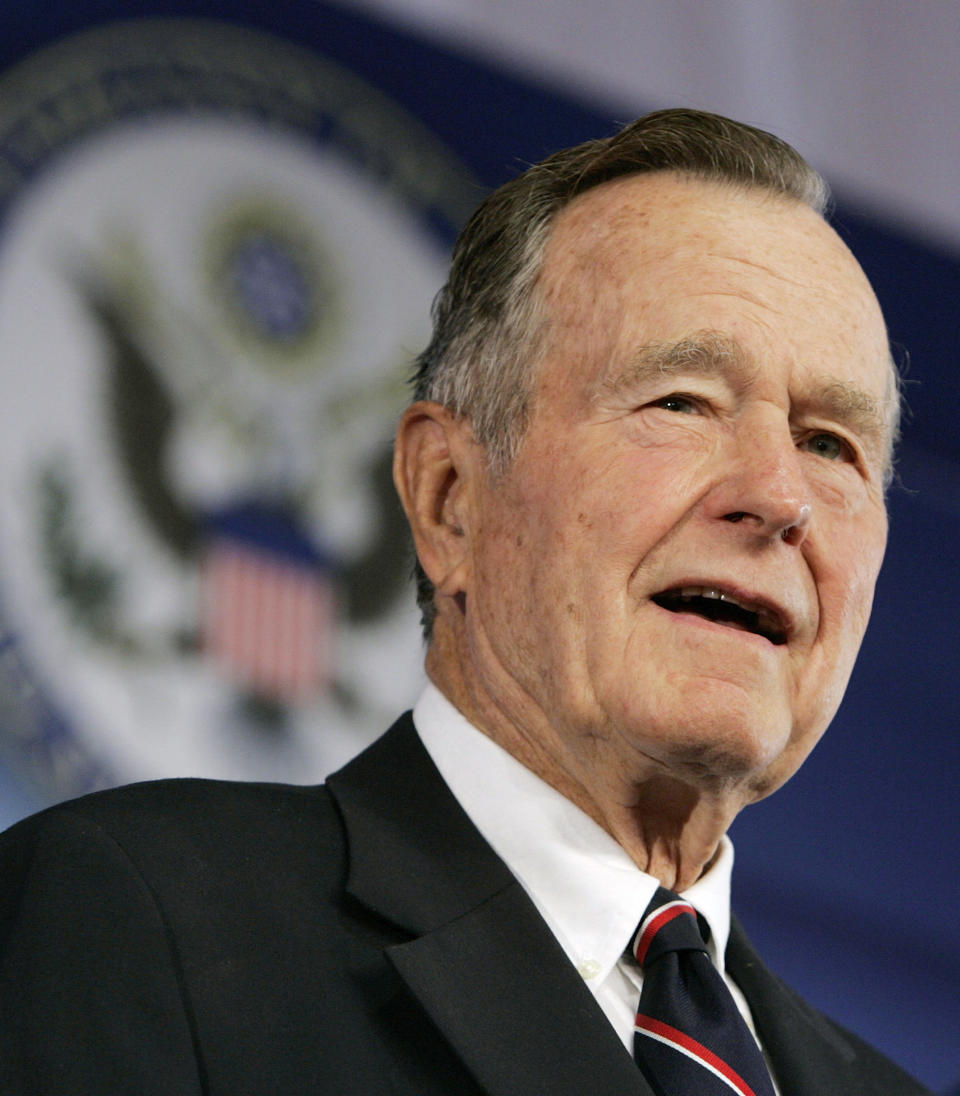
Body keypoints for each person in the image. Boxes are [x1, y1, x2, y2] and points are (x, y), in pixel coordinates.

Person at [0, 109, 932, 1095]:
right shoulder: (145, 924)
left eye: (832, 443)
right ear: (449, 495)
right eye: (683, 402)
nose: (780, 495)